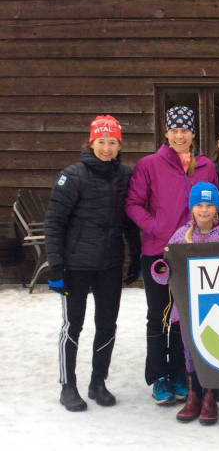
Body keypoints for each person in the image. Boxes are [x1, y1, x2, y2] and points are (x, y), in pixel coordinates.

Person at [44, 115, 141, 412]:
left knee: (107, 325)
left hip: (109, 264)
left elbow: (128, 220)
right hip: (75, 266)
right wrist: (56, 266)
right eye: (101, 142)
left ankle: (98, 381)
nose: (107, 148)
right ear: (91, 143)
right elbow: (54, 223)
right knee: (73, 325)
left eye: (112, 142)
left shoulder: (125, 176)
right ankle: (67, 385)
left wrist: (134, 256)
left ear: (119, 144)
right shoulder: (72, 176)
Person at [126, 105, 219, 405]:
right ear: (166, 132)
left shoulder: (205, 166)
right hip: (157, 252)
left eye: (185, 129)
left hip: (193, 254)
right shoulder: (149, 165)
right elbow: (133, 204)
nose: (180, 135)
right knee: (159, 316)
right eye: (174, 129)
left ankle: (181, 373)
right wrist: (156, 227)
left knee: (184, 318)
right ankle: (158, 377)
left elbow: (214, 205)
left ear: (193, 133)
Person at [151, 182, 219, 425]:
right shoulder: (180, 236)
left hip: (217, 306)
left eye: (209, 205)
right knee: (190, 349)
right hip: (188, 305)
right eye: (199, 205)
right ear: (191, 208)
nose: (204, 210)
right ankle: (193, 394)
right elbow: (165, 272)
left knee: (213, 347)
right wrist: (160, 268)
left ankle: (210, 395)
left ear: (217, 209)